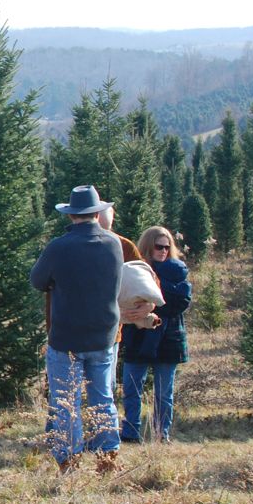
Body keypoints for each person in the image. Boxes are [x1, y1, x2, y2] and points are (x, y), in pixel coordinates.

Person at [30, 185, 123, 474]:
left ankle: (69, 460)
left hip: (67, 335)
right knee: (103, 398)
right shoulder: (113, 244)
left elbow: (37, 280)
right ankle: (107, 456)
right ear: (97, 213)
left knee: (66, 400)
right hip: (104, 333)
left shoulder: (59, 247)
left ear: (71, 216)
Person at [120, 226, 192, 444]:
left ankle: (162, 434)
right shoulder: (136, 270)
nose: (163, 250)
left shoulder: (178, 271)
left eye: (166, 247)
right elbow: (125, 297)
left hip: (169, 337)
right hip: (138, 336)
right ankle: (131, 432)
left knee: (163, 393)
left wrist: (151, 306)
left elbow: (180, 303)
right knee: (132, 388)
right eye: (158, 246)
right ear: (148, 247)